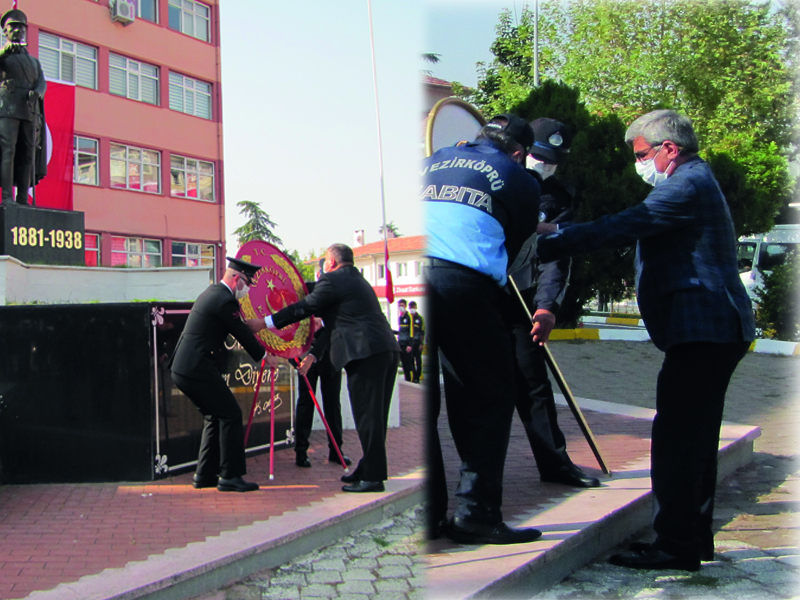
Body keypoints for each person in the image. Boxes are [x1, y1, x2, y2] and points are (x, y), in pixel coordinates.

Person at [537, 109, 755, 571]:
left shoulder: (686, 185)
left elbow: (623, 224)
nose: (638, 164)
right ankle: (690, 540)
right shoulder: (695, 180)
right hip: (712, 331)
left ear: (667, 149)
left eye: (641, 155)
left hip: (704, 330)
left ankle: (674, 547)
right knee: (694, 440)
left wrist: (547, 240)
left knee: (677, 440)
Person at [424, 114, 545, 544]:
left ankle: (431, 512)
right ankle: (476, 514)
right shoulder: (521, 177)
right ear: (518, 153)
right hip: (461, 283)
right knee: (489, 394)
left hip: (416, 284)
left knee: (428, 401)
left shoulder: (438, 157)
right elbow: (510, 251)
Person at [250, 243, 400, 493]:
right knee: (375, 416)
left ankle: (373, 478)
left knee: (368, 416)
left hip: (366, 354)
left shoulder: (332, 281)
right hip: (384, 350)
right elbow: (330, 324)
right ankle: (368, 467)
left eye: (325, 262)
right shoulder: (357, 281)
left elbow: (302, 308)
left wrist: (265, 322)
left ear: (330, 262)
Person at [505, 118, 600, 488]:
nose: (545, 165)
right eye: (539, 156)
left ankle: (555, 463)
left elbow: (555, 256)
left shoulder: (556, 197)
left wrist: (546, 306)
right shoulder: (495, 179)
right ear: (522, 151)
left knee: (534, 383)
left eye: (553, 160)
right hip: (478, 295)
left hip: (521, 298)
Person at [168, 257, 271, 493]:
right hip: (195, 369)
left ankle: (204, 475)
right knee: (231, 414)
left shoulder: (213, 293)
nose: (247, 290)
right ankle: (230, 476)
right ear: (237, 279)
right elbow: (242, 333)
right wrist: (266, 356)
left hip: (184, 369)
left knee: (215, 416)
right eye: (247, 284)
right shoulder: (224, 300)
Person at [293, 268, 350, 468]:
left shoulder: (332, 296)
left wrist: (322, 322)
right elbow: (293, 327)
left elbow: (335, 324)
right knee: (305, 405)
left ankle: (336, 450)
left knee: (333, 406)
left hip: (330, 358)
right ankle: (301, 451)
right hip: (305, 360)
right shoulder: (303, 294)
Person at [0, 9, 46, 205]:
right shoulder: (3, 56)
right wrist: (3, 51)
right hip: (8, 107)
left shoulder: (33, 61)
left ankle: (22, 198)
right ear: (5, 32)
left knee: (28, 153)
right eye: (13, 27)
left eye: (21, 27)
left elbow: (42, 82)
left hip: (29, 109)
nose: (18, 30)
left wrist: (38, 92)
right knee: (8, 150)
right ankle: (7, 197)